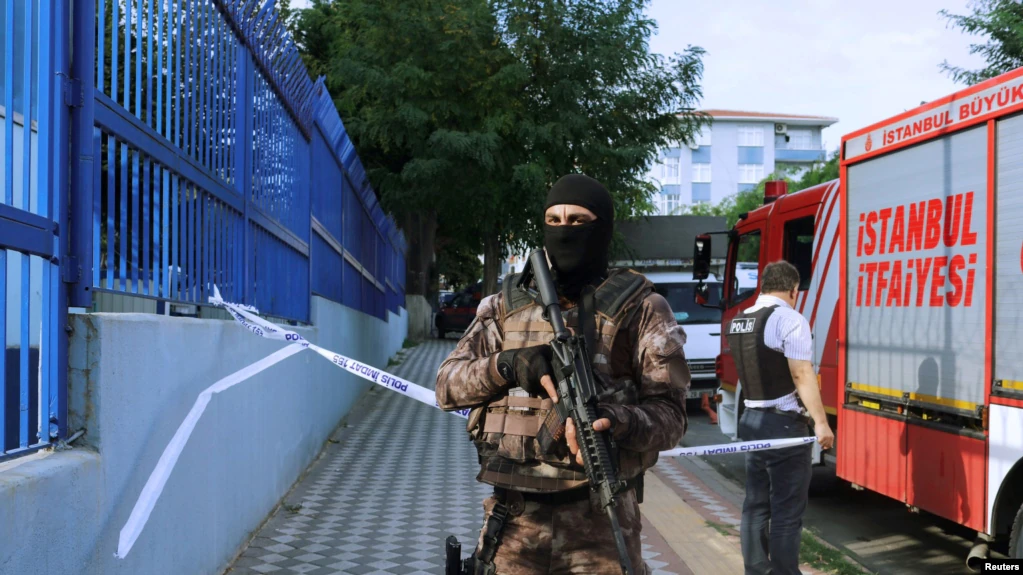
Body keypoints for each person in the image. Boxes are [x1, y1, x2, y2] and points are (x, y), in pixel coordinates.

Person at [435, 173, 691, 575]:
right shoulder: (503, 306)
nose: (564, 230)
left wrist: (618, 421)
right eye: (553, 220)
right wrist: (507, 365)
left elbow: (672, 418)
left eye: (577, 220)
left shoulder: (643, 308)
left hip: (601, 525)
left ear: (602, 228)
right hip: (515, 523)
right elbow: (446, 386)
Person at [725, 260, 835, 575]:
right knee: (786, 511)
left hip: (751, 421)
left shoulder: (740, 319)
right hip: (784, 425)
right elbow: (801, 374)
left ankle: (757, 571)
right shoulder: (790, 319)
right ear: (793, 289)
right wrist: (821, 422)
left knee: (755, 505)